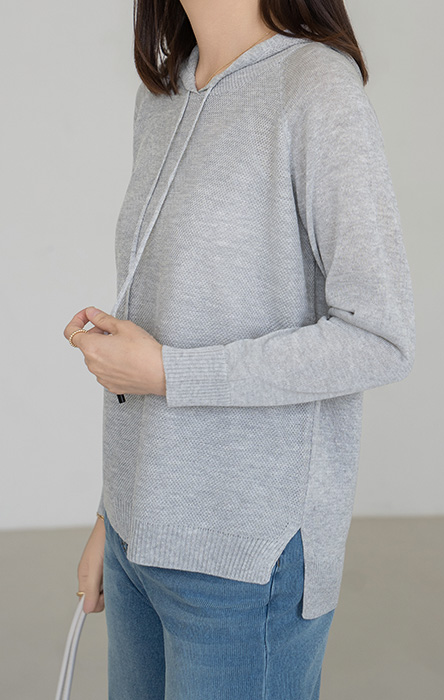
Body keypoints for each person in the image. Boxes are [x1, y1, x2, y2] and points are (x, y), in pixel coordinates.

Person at [63, 0, 416, 697]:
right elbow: (160, 320)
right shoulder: (161, 96)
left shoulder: (315, 88)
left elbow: (380, 338)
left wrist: (171, 372)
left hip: (247, 562)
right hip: (137, 544)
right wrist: (112, 514)